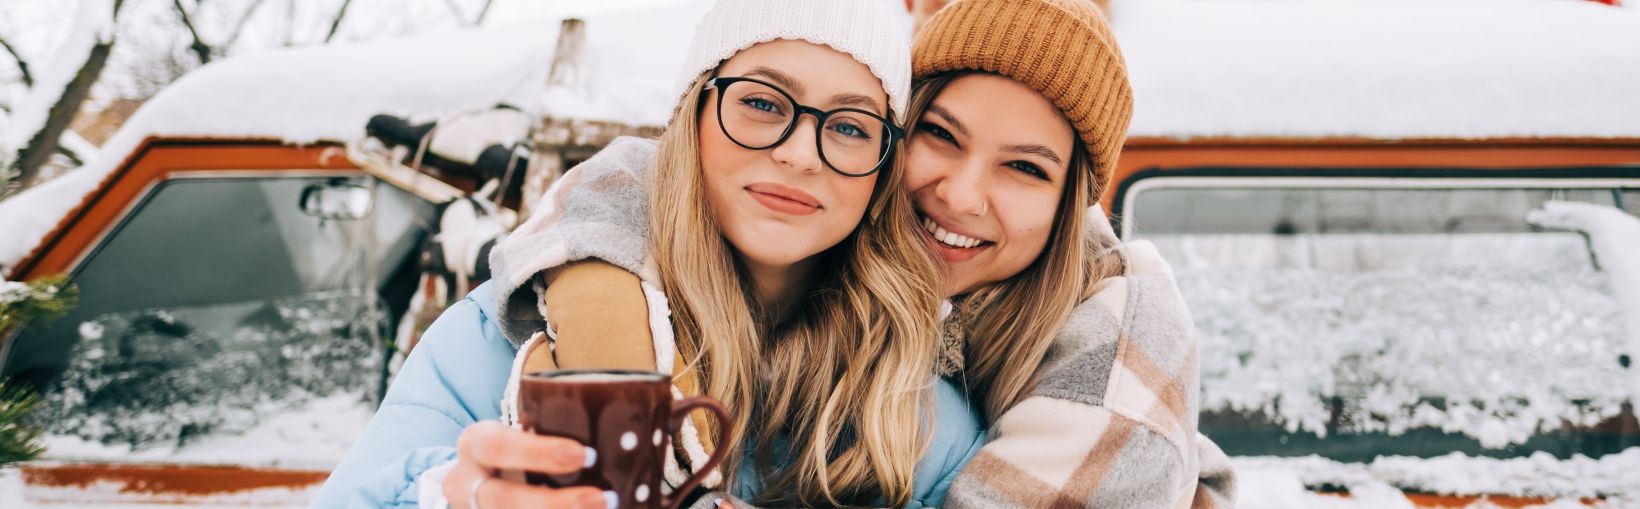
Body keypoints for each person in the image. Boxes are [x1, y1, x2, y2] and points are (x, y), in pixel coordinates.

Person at [489, 0, 1238, 507]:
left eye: (1026, 167)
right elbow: (654, 178)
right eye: (939, 135)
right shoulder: (851, 290)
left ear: (1073, 209)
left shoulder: (1116, 362)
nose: (963, 194)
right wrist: (604, 313)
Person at [311, 1, 984, 508]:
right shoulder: (497, 337)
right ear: (691, 118)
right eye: (759, 102)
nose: (799, 153)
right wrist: (446, 494)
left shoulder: (918, 411)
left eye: (847, 126)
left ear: (882, 164)